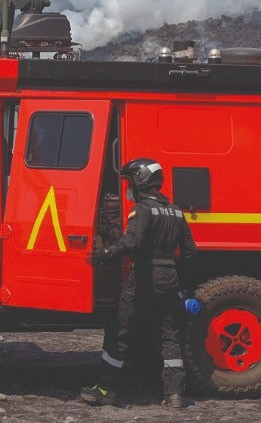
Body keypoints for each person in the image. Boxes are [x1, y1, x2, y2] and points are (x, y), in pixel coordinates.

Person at [81, 158, 198, 408]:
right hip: (170, 279)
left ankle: (107, 389)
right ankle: (174, 395)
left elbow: (132, 243)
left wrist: (104, 253)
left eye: (129, 181)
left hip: (144, 276)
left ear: (140, 181)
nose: (128, 187)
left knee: (119, 331)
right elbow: (189, 251)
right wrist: (183, 282)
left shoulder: (142, 210)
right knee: (169, 334)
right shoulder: (176, 211)